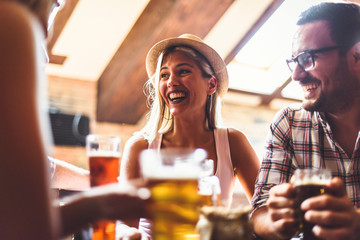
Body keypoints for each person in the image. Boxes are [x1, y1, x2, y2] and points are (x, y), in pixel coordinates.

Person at [0, 0, 149, 239]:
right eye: (56, 4)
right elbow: (27, 226)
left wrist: (102, 182)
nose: (47, 31)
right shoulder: (10, 24)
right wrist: (103, 204)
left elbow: (42, 170)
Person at [119, 34, 260, 238]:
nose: (171, 82)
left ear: (211, 85)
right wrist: (126, 234)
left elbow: (264, 209)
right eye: (164, 75)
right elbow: (124, 224)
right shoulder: (140, 147)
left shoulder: (233, 142)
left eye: (183, 71)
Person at [251, 2, 360, 240]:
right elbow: (258, 213)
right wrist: (275, 220)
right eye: (294, 61)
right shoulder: (288, 123)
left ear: (356, 56)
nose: (296, 75)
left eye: (308, 58)